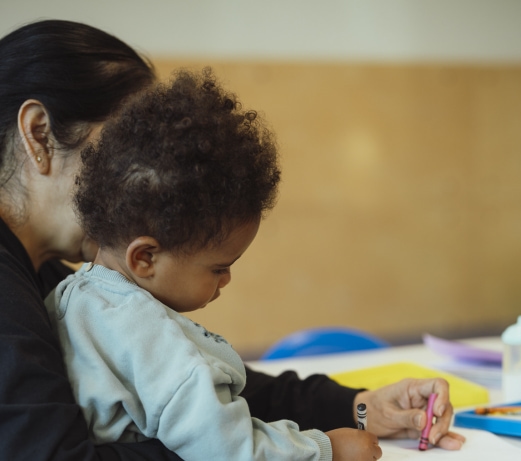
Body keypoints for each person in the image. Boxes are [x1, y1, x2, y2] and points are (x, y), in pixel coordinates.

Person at [0, 19, 463, 461]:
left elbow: (196, 383)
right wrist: (289, 448)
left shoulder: (61, 282)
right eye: (121, 149)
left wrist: (358, 407)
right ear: (40, 134)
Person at [45, 69, 385, 461]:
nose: (227, 279)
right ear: (145, 258)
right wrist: (325, 448)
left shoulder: (72, 296)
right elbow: (227, 446)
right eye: (219, 267)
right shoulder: (151, 338)